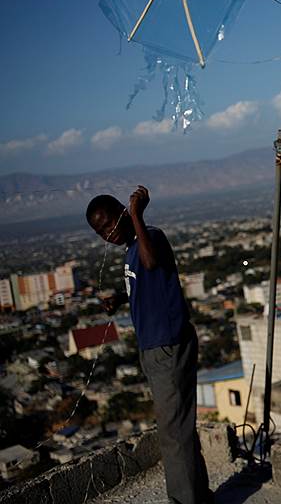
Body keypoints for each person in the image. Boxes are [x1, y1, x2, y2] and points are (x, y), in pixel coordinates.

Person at [86, 186, 212, 504]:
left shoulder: (149, 237)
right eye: (100, 230)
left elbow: (152, 261)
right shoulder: (132, 248)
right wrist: (119, 296)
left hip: (167, 346)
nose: (108, 232)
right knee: (180, 427)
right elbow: (148, 284)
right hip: (156, 348)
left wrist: (138, 216)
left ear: (123, 214)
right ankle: (198, 495)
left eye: (110, 222)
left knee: (172, 434)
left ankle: (184, 500)